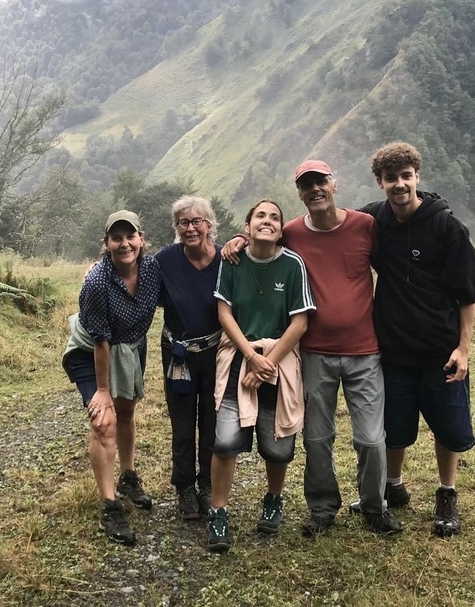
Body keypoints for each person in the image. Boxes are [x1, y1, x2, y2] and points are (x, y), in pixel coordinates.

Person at [224, 161, 402, 539]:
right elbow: (261, 240)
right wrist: (236, 241)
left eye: (321, 182)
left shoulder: (365, 226)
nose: (315, 190)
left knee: (371, 438)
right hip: (315, 352)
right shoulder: (291, 233)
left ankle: (374, 506)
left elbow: (396, 263)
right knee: (318, 438)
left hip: (364, 350)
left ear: (334, 185)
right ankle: (322, 508)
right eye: (307, 186)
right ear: (300, 194)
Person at [360, 142, 475, 537]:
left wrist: (463, 350)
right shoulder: (374, 220)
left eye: (406, 176)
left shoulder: (446, 226)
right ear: (380, 182)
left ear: (417, 176)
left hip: (440, 351)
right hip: (394, 349)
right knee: (394, 428)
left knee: (448, 428)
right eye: (391, 178)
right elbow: (328, 228)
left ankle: (446, 494)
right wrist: (249, 238)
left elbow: (468, 293)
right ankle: (393, 486)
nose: (399, 184)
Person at [207, 200, 314, 553]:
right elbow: (224, 313)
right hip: (239, 354)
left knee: (278, 446)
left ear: (281, 229)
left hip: (279, 360)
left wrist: (268, 361)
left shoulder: (292, 264)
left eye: (274, 217)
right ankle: (218, 511)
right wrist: (251, 356)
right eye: (260, 216)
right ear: (247, 225)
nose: (267, 221)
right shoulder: (232, 260)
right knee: (225, 441)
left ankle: (273, 498)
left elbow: (300, 321)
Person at [61, 210, 162, 545]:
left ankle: (128, 477)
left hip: (131, 347)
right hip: (92, 351)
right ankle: (109, 504)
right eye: (116, 238)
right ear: (106, 244)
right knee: (104, 420)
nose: (124, 244)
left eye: (130, 236)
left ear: (141, 239)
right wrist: (102, 390)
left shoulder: (151, 269)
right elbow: (101, 342)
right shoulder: (97, 283)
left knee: (127, 413)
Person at [155, 196, 223, 521]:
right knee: (182, 424)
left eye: (197, 221)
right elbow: (138, 281)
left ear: (210, 225)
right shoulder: (166, 260)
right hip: (177, 353)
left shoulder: (227, 259)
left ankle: (207, 486)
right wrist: (101, 266)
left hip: (215, 352)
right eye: (184, 222)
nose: (191, 227)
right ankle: (184, 488)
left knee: (211, 422)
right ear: (177, 228)